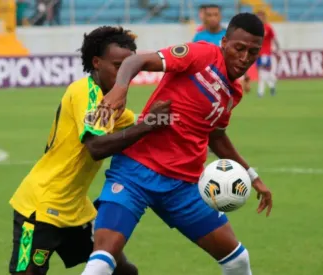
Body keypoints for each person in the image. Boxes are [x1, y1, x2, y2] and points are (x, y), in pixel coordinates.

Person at [80, 13, 273, 275]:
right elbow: (136, 60)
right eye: (239, 48)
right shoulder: (201, 54)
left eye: (253, 51)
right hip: (135, 172)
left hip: (183, 186)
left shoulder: (233, 93)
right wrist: (120, 88)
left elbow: (216, 136)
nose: (245, 57)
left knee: (238, 261)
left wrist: (253, 177)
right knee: (102, 262)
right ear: (224, 42)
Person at [8, 26, 171, 275]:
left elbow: (137, 128)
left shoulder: (112, 104)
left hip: (77, 211)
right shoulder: (85, 92)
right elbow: (96, 147)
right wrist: (148, 125)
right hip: (39, 208)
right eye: (118, 66)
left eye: (130, 68)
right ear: (96, 62)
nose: (124, 76)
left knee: (122, 270)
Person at [256, 11, 280, 97]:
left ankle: (260, 92)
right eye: (258, 17)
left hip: (266, 53)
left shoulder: (268, 27)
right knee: (262, 73)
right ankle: (272, 83)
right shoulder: (255, 28)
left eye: (261, 17)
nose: (259, 19)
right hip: (257, 54)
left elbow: (274, 39)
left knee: (262, 73)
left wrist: (278, 49)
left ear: (264, 18)